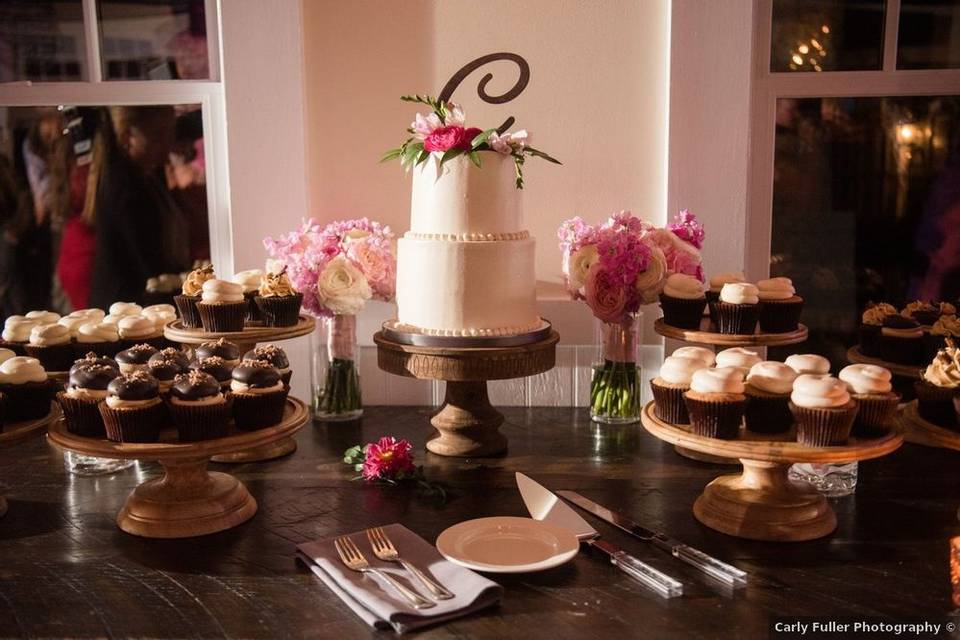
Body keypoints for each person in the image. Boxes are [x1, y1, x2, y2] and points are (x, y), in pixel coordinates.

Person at [88, 105, 191, 308]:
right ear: (128, 137)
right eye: (158, 135)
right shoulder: (123, 186)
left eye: (170, 132)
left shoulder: (149, 176)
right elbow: (150, 262)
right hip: (125, 308)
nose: (168, 143)